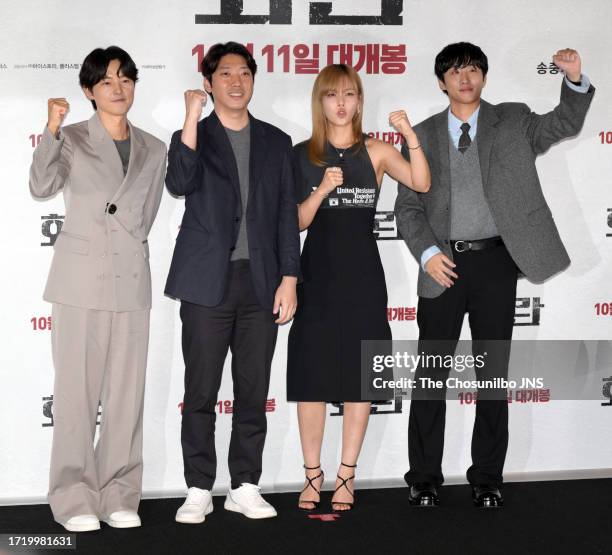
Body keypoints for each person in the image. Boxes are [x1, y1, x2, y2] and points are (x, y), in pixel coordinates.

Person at [394, 43, 594, 508]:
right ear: (441, 82)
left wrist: (574, 79)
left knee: (491, 377)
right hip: (441, 265)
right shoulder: (420, 134)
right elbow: (407, 208)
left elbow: (562, 124)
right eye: (455, 71)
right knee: (430, 377)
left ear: (483, 77)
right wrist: (426, 253)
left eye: (473, 69)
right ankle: (423, 477)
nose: (465, 77)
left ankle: (487, 477)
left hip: (496, 264)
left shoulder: (514, 119)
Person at [29, 46, 167, 532]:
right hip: (80, 281)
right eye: (107, 81)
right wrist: (49, 130)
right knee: (76, 397)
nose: (118, 88)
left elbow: (145, 215)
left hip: (131, 278)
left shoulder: (154, 147)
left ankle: (120, 493)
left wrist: (122, 232)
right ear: (89, 91)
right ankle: (72, 497)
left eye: (126, 79)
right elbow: (41, 186)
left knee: (126, 397)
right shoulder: (69, 138)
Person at [165, 42, 301, 523]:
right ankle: (199, 486)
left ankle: (245, 484)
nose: (236, 82)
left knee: (252, 389)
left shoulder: (276, 142)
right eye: (224, 74)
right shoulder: (193, 136)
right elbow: (179, 183)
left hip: (261, 283)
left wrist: (290, 277)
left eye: (244, 73)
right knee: (200, 391)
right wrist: (190, 114)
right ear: (209, 82)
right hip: (207, 284)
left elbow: (287, 213)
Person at [287, 63, 430, 512]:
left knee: (360, 378)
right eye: (332, 95)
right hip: (316, 276)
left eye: (350, 94)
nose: (342, 103)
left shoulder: (377, 151)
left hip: (364, 276)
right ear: (321, 102)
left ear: (359, 101)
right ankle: (313, 474)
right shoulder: (302, 154)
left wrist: (409, 135)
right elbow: (295, 222)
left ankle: (347, 475)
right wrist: (322, 190)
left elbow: (422, 182)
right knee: (310, 377)